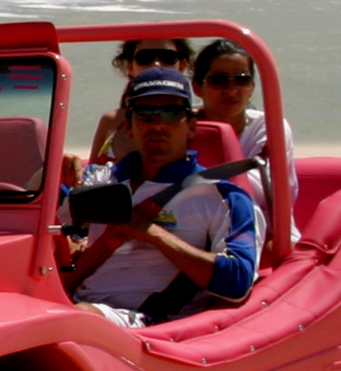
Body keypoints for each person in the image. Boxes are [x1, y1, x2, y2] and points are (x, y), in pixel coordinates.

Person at [61, 66, 258, 327]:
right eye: (145, 114)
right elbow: (43, 223)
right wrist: (50, 176)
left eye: (171, 113)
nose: (158, 124)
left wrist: (153, 234)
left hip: (152, 321)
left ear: (191, 127)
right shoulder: (100, 180)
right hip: (74, 303)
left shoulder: (222, 196)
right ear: (128, 128)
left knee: (78, 318)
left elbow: (237, 282)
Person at [191, 38, 297, 227]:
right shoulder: (181, 125)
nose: (231, 90)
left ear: (252, 88)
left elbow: (262, 189)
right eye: (219, 80)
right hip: (192, 228)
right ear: (197, 87)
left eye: (242, 80)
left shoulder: (270, 127)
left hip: (265, 230)